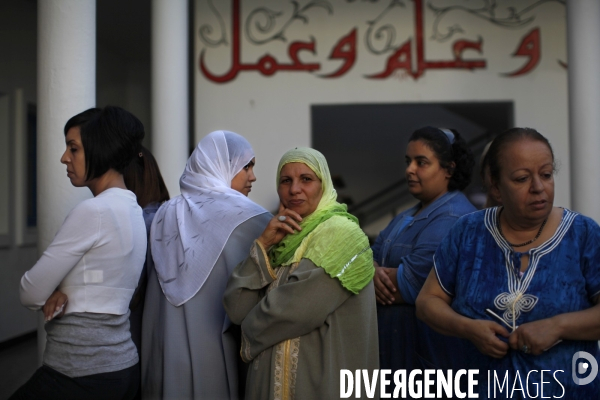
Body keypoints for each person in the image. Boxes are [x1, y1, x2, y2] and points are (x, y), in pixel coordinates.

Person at [416, 127, 600, 399]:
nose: (538, 187)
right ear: (496, 186)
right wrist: (469, 328)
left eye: (546, 175)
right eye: (522, 178)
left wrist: (557, 326)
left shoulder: (583, 234)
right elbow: (427, 302)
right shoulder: (468, 232)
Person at [12, 106, 147, 400]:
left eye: (73, 148)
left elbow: (29, 292)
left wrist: (55, 288)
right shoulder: (132, 209)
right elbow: (103, 281)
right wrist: (62, 287)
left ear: (102, 150)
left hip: (79, 371)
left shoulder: (94, 211)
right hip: (121, 366)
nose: (64, 157)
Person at [223, 147, 378, 400]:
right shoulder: (282, 239)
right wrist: (262, 245)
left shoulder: (341, 234)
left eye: (306, 179)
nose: (294, 189)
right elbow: (237, 308)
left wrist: (246, 334)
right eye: (286, 181)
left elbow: (296, 311)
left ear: (323, 184)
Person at [141, 130, 271, 400]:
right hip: (215, 350)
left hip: (162, 351)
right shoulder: (253, 220)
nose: (253, 176)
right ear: (220, 166)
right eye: (246, 166)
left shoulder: (165, 213)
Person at [373, 127, 476, 378]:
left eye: (422, 163)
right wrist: (371, 271)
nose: (410, 170)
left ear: (449, 169)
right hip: (396, 352)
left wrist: (368, 274)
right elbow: (366, 256)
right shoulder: (408, 214)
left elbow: (407, 286)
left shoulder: (454, 217)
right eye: (409, 162)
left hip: (428, 357)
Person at [123, 145, 170, 355]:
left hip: (136, 325)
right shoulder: (168, 214)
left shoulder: (138, 221)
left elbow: (131, 288)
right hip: (164, 324)